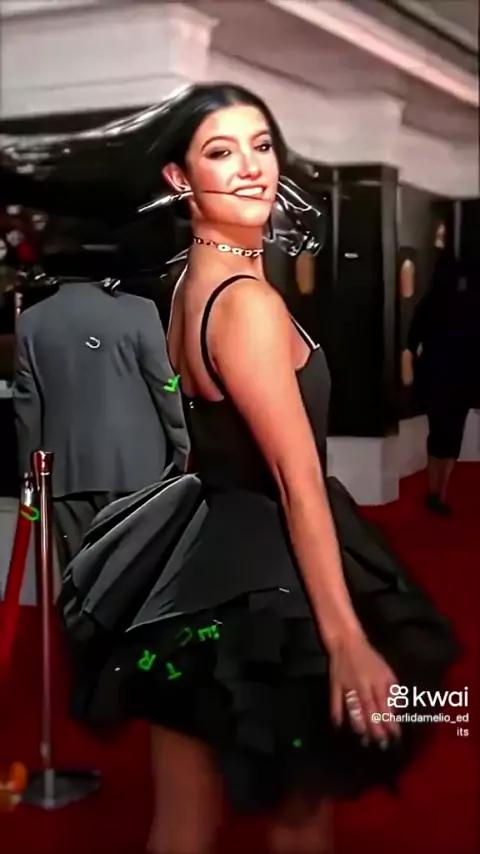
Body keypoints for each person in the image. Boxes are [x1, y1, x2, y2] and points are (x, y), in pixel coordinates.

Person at [16, 85, 458, 854]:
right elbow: (295, 480)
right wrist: (346, 639)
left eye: (262, 145)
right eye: (221, 151)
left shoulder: (191, 286)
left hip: (195, 568)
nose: (252, 167)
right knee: (300, 822)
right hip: (266, 578)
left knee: (182, 824)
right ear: (179, 178)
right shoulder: (245, 303)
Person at [13, 277, 189, 568]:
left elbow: (27, 408)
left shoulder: (31, 320)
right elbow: (165, 386)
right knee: (134, 574)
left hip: (66, 474)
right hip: (138, 470)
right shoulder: (139, 311)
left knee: (77, 573)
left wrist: (30, 475)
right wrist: (185, 450)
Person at [406, 251, 478, 515]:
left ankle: (433, 488)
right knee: (452, 436)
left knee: (436, 434)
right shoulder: (469, 305)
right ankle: (442, 491)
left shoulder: (428, 304)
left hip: (434, 377)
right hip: (461, 379)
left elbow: (412, 341)